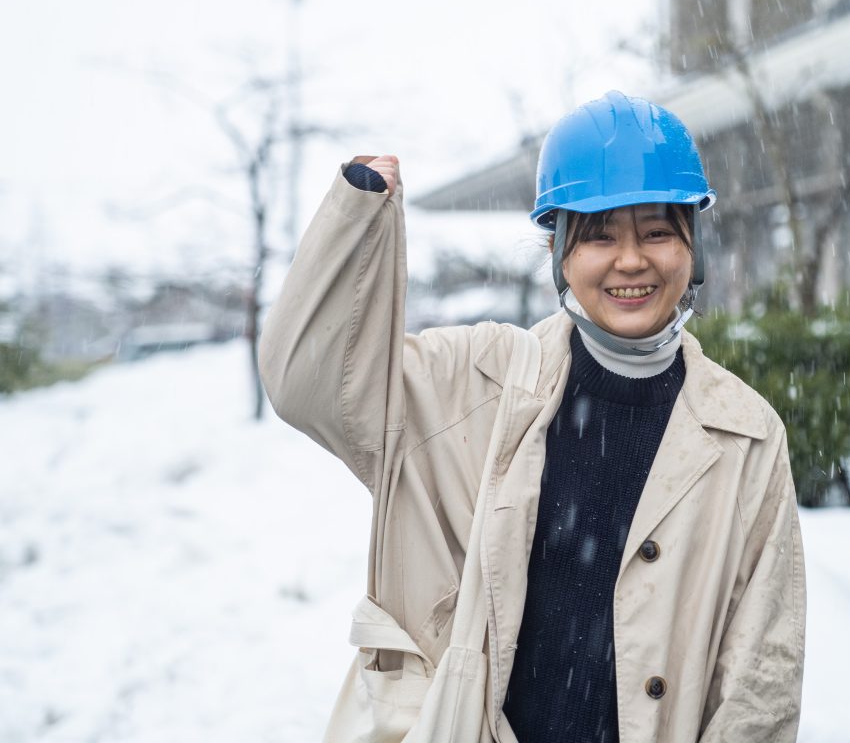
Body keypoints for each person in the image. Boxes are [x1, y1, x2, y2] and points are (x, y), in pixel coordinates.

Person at [260, 90, 805, 742]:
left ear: (694, 247)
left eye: (657, 231)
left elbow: (761, 673)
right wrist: (358, 217)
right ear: (559, 253)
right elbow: (311, 384)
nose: (631, 260)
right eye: (599, 235)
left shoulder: (746, 432)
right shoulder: (481, 379)